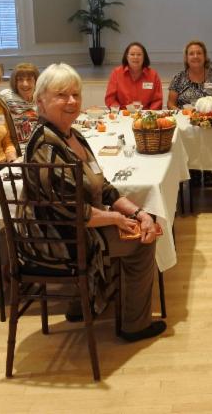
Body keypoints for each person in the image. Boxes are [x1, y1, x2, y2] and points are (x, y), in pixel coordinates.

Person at [24, 63, 166, 341]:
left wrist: (138, 212)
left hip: (76, 229)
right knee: (142, 242)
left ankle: (83, 304)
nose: (71, 101)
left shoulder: (72, 135)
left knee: (143, 224)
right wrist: (116, 219)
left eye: (75, 94)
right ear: (40, 101)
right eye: (61, 95)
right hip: (57, 239)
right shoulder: (46, 146)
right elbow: (72, 212)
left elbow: (106, 188)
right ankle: (135, 325)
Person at [168, 40, 212, 187]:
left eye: (199, 53)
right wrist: (182, 111)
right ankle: (192, 169)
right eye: (191, 53)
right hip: (186, 120)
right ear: (186, 57)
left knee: (207, 135)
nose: (195, 56)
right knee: (188, 135)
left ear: (205, 56)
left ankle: (208, 170)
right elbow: (170, 104)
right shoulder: (179, 77)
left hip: (211, 122)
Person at [105, 42, 163, 110]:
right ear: (127, 57)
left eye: (139, 54)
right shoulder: (116, 73)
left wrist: (149, 113)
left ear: (144, 57)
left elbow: (157, 100)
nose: (136, 57)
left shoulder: (153, 75)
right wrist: (119, 111)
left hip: (145, 114)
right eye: (132, 54)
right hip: (123, 113)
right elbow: (110, 98)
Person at [0, 63, 39, 151]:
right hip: (14, 149)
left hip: (37, 149)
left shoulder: (40, 100)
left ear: (36, 81)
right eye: (20, 80)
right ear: (15, 82)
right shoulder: (6, 96)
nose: (25, 84)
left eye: (29, 79)